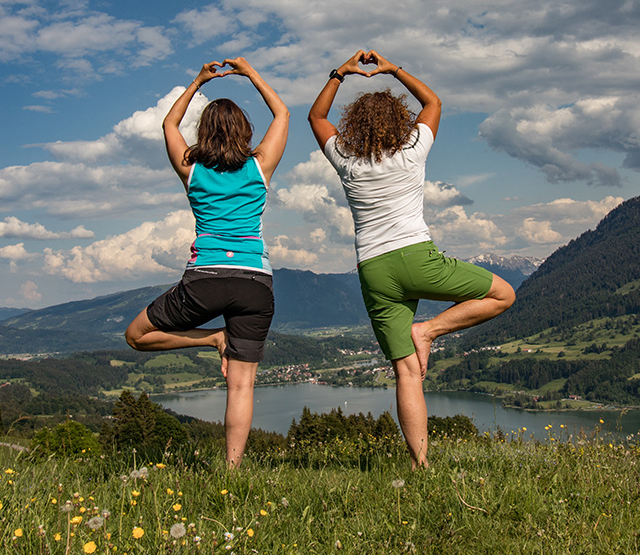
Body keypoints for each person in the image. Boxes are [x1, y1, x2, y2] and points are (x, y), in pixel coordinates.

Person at [308, 50, 515, 468]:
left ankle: (421, 466)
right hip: (418, 259)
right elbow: (433, 103)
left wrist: (341, 74)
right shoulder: (412, 152)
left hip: (374, 270)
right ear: (399, 121)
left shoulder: (348, 162)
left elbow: (315, 117)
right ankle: (430, 332)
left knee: (406, 373)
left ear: (355, 125)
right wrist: (392, 69)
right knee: (503, 294)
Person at [125, 57, 289, 468]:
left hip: (205, 279)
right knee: (242, 386)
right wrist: (251, 73)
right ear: (246, 132)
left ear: (204, 132)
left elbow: (168, 125)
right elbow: (283, 112)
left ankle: (211, 338)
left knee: (135, 335)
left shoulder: (192, 170)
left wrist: (198, 79)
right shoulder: (259, 167)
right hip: (255, 281)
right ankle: (233, 473)